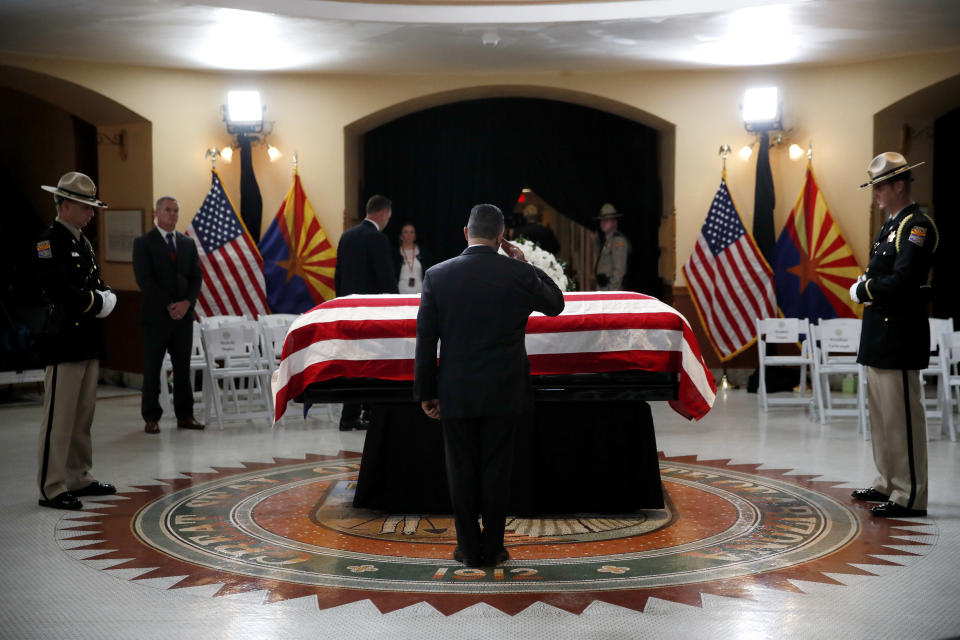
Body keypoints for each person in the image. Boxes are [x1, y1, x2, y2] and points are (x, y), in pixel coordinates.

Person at [414, 204, 565, 568]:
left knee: (460, 470)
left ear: (466, 233)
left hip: (456, 390)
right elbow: (556, 304)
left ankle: (468, 549)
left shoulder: (437, 275)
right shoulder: (516, 273)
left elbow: (425, 341)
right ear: (502, 239)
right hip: (505, 391)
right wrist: (525, 263)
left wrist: (426, 392)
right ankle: (494, 549)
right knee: (498, 471)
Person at [849, 151, 936, 518]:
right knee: (882, 418)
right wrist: (869, 285)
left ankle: (909, 494)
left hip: (899, 337)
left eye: (880, 187)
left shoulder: (917, 226)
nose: (876, 195)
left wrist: (865, 289)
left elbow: (903, 280)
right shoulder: (891, 226)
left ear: (899, 185)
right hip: (879, 338)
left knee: (902, 420)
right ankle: (887, 480)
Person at [34, 172, 117, 510]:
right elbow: (57, 287)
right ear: (65, 205)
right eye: (85, 207)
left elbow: (93, 278)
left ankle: (78, 476)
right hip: (64, 338)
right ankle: (51, 486)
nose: (91, 214)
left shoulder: (81, 241)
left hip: (87, 338)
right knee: (60, 415)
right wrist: (97, 303)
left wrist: (105, 293)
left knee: (83, 414)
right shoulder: (47, 241)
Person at [132, 196, 205, 434]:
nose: (172, 214)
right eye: (168, 210)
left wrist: (187, 303)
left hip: (183, 317)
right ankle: (151, 417)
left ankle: (185, 415)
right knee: (153, 368)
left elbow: (196, 277)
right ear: (157, 213)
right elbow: (145, 280)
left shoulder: (186, 243)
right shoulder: (144, 242)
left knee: (182, 369)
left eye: (176, 211)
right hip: (156, 317)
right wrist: (169, 305)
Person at [334, 194, 399, 430]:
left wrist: (340, 306)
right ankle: (369, 413)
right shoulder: (377, 239)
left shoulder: (346, 237)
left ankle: (349, 416)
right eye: (388, 217)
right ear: (382, 214)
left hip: (348, 312)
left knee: (352, 364)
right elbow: (386, 279)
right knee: (373, 363)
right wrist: (395, 308)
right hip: (373, 314)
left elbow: (338, 276)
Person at [594, 203, 631, 290]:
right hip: (602, 287)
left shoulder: (618, 241)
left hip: (610, 290)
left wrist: (610, 290)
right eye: (601, 220)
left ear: (614, 222)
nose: (603, 223)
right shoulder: (608, 240)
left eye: (607, 220)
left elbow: (619, 270)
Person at [392, 223, 432, 294]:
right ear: (401, 236)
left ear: (415, 235)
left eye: (412, 232)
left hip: (420, 292)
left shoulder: (423, 253)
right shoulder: (395, 254)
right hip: (400, 293)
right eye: (406, 232)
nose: (409, 235)